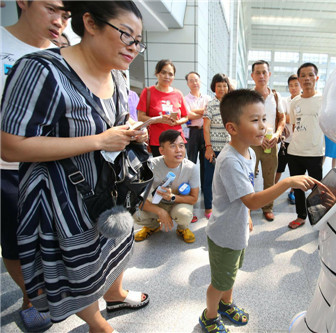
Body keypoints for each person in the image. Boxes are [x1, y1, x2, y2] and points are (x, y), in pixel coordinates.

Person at [1, 2, 149, 331]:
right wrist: (98, 141)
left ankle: (113, 296)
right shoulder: (41, 69)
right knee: (75, 274)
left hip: (105, 195)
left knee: (110, 256)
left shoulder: (119, 78)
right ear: (90, 23)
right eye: (126, 35)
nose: (133, 48)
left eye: (139, 41)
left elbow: (116, 127)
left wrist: (130, 132)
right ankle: (98, 323)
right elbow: (10, 146)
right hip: (60, 204)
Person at [199, 89, 318, 333]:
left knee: (230, 275)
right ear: (232, 128)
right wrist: (285, 183)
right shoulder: (230, 160)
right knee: (220, 280)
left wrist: (247, 219)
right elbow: (252, 200)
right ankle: (209, 316)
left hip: (237, 228)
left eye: (264, 119)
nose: (263, 126)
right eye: (255, 120)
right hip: (224, 234)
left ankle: (226, 304)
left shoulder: (249, 152)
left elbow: (244, 198)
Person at [0, 1, 69, 331]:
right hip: (7, 169)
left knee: (56, 238)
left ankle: (53, 290)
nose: (59, 21)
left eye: (66, 15)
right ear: (23, 2)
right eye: (52, 9)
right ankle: (31, 294)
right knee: (15, 242)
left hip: (58, 167)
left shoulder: (67, 55)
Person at [134, 130, 200, 243]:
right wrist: (161, 212)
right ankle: (152, 226)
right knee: (136, 213)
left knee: (184, 214)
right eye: (173, 146)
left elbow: (193, 198)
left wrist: (172, 197)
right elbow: (137, 199)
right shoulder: (150, 166)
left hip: (178, 202)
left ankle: (182, 229)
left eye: (181, 146)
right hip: (157, 202)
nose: (178, 150)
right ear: (161, 150)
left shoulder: (191, 168)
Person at [287, 63, 325, 229]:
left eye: (311, 75)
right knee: (297, 187)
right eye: (303, 75)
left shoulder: (323, 100)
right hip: (295, 152)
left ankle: (319, 218)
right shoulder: (295, 102)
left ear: (316, 78)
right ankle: (301, 216)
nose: (307, 78)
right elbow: (295, 126)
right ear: (299, 79)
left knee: (317, 188)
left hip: (315, 152)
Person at [250, 60, 286, 221]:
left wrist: (278, 134)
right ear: (252, 76)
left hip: (271, 143)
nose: (261, 76)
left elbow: (282, 118)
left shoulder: (276, 97)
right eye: (257, 72)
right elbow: (245, 118)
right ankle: (247, 206)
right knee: (248, 177)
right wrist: (258, 137)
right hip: (251, 143)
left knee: (269, 177)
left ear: (269, 75)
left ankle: (268, 207)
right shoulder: (248, 96)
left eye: (264, 72)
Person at [137, 59, 189, 157]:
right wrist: (159, 120)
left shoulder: (178, 94)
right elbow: (141, 117)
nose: (167, 76)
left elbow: (185, 117)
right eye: (163, 72)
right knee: (160, 170)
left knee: (179, 170)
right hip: (158, 142)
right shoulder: (148, 92)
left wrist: (177, 122)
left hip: (177, 140)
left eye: (170, 74)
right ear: (157, 73)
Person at [203, 73, 232, 219]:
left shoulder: (232, 104)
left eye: (224, 85)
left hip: (229, 149)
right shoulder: (211, 104)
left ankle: (225, 206)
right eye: (218, 85)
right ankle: (208, 207)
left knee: (226, 179)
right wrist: (208, 147)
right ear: (214, 88)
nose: (222, 88)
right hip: (213, 149)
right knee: (209, 179)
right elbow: (206, 127)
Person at [275, 74, 300, 205]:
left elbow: (288, 118)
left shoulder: (303, 100)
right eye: (291, 85)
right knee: (279, 168)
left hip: (299, 142)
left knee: (295, 170)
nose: (293, 88)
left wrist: (288, 118)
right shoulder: (285, 100)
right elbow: (282, 117)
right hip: (286, 142)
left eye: (296, 85)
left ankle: (293, 192)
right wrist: (288, 118)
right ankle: (272, 190)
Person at [184, 71, 211, 194]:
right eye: (191, 80)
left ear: (200, 82)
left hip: (205, 132)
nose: (194, 82)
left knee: (205, 162)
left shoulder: (207, 98)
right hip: (192, 133)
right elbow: (188, 115)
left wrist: (195, 111)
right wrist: (203, 111)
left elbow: (209, 113)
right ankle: (192, 189)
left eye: (196, 80)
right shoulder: (185, 99)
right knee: (191, 161)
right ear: (188, 83)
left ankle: (205, 189)